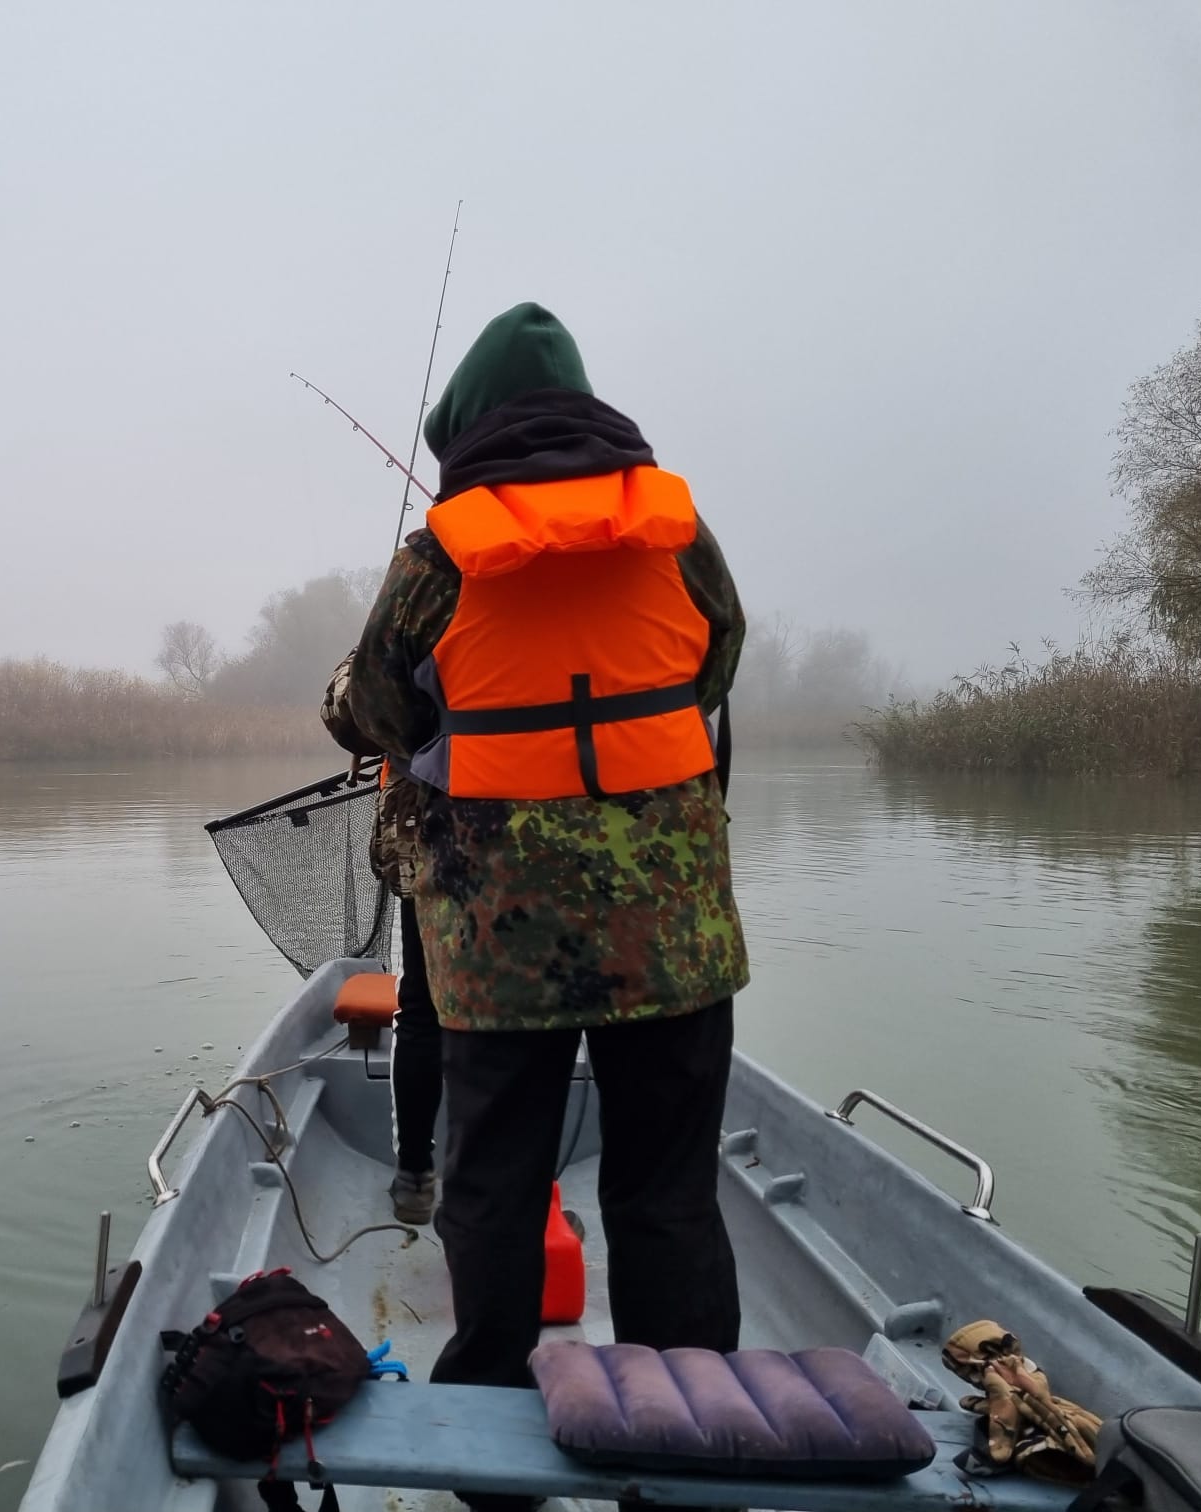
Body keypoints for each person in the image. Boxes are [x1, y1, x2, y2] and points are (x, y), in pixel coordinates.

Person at [342, 303, 748, 1509]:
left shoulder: (439, 554)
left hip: (497, 951)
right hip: (673, 944)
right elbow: (713, 663)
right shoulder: (680, 533)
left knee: (496, 1190)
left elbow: (377, 710)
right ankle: (686, 1453)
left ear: (467, 430)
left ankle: (490, 1456)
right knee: (666, 1192)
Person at [320, 653, 439, 1224]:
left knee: (421, 1005)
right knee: (525, 1012)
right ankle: (518, 1184)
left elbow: (347, 710)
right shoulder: (572, 594)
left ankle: (416, 1177)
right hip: (554, 843)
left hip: (433, 834)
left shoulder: (426, 584)